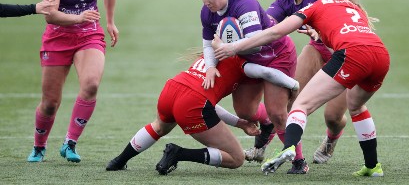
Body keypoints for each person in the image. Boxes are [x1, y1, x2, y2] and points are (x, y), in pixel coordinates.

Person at [214, 0, 390, 177]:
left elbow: (275, 32)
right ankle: (372, 166)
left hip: (353, 55)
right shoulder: (355, 8)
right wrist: (319, 35)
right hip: (381, 55)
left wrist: (233, 48)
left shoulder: (316, 5)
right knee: (356, 106)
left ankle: (288, 148)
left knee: (301, 105)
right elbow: (347, 32)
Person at [195, 0, 307, 174]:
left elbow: (256, 44)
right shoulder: (206, 12)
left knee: (277, 112)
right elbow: (208, 43)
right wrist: (210, 67)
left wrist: (229, 48)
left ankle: (298, 161)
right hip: (247, 58)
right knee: (245, 111)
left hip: (276, 55)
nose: (206, 3)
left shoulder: (244, 5)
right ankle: (267, 126)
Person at [105, 54, 300, 174]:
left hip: (172, 88)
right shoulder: (242, 60)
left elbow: (207, 103)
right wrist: (294, 85)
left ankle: (118, 161)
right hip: (192, 102)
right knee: (237, 158)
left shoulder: (214, 51)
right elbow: (268, 74)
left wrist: (239, 123)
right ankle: (179, 153)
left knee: (159, 126)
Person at [245, 0, 348, 167]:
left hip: (345, 57)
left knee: (333, 117)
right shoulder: (285, 2)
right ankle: (266, 143)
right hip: (318, 51)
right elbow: (267, 25)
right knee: (289, 98)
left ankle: (331, 139)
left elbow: (347, 14)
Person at [27, 0, 119, 163]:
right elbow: (50, 14)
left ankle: (70, 143)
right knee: (50, 104)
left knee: (90, 85)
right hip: (58, 38)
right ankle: (39, 146)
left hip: (89, 35)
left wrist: (109, 22)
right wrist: (79, 17)